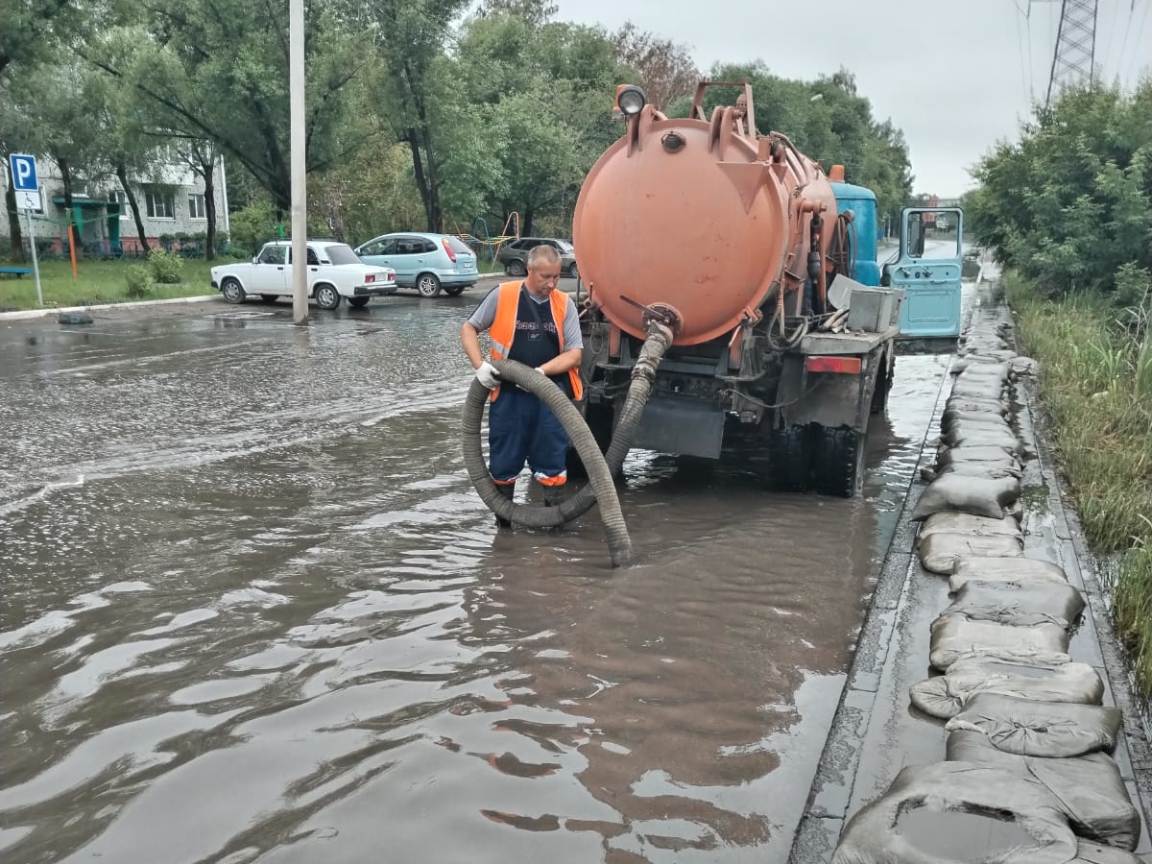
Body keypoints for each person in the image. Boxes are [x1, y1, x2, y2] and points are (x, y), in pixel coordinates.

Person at [460, 244, 584, 526]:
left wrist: (540, 373)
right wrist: (480, 367)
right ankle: (503, 533)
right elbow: (469, 329)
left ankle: (555, 526)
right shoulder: (503, 295)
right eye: (545, 277)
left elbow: (575, 353)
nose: (552, 284)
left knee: (552, 465)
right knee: (504, 464)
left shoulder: (564, 304)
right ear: (530, 271)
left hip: (550, 400)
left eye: (556, 276)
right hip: (509, 399)